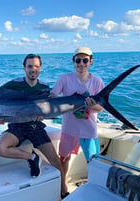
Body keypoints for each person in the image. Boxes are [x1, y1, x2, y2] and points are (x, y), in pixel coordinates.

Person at [0, 54, 68, 198]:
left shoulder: (45, 87)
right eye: (29, 66)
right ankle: (32, 157)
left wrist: (43, 115)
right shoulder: (13, 84)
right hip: (17, 126)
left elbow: (48, 108)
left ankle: (64, 192)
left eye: (36, 66)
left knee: (56, 163)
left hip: (35, 126)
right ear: (24, 68)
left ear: (40, 68)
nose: (33, 69)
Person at [50, 47, 104, 188]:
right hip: (69, 129)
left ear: (91, 61)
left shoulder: (97, 82)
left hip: (89, 131)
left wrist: (92, 105)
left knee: (93, 162)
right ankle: (64, 186)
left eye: (85, 60)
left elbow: (101, 108)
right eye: (78, 60)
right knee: (64, 158)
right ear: (73, 62)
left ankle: (94, 187)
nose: (81, 63)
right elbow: (52, 97)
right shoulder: (64, 79)